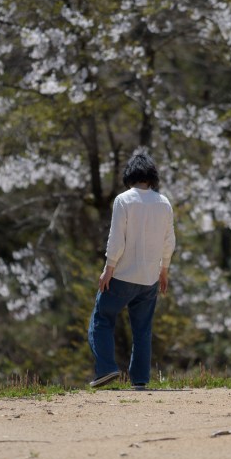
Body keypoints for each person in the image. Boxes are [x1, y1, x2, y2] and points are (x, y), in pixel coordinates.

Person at [87, 149, 175, 389]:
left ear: (130, 175)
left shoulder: (123, 200)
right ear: (152, 177)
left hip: (123, 275)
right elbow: (169, 241)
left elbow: (116, 239)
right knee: (142, 330)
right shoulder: (164, 203)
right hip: (149, 279)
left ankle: (106, 369)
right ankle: (140, 381)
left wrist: (108, 269)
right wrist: (164, 270)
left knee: (102, 319)